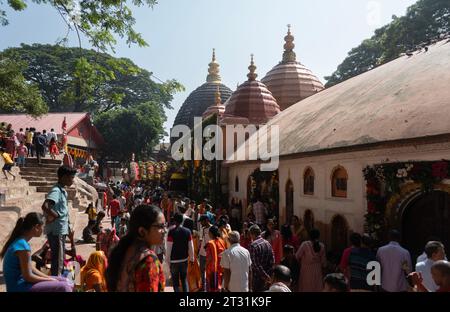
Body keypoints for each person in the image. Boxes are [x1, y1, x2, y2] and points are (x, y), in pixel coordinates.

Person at [0, 212, 73, 292]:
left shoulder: (21, 242)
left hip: (23, 283)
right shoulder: (22, 246)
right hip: (19, 287)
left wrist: (49, 278)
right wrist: (49, 281)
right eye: (42, 226)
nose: (43, 229)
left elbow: (31, 268)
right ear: (36, 227)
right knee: (63, 287)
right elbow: (28, 277)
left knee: (65, 280)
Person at [106, 205, 166, 292]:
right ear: (142, 231)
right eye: (160, 226)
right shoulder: (148, 260)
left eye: (164, 226)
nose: (165, 230)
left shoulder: (124, 251)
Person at [42, 165, 77, 276]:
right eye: (71, 177)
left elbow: (64, 211)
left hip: (61, 230)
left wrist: (68, 226)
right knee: (58, 261)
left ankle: (59, 282)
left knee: (60, 260)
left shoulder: (63, 191)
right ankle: (57, 283)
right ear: (63, 177)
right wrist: (55, 216)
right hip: (56, 231)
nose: (72, 180)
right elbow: (46, 206)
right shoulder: (56, 190)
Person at [166, 213, 195, 292]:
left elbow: (169, 248)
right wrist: (192, 259)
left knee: (175, 283)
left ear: (174, 221)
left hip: (174, 261)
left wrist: (167, 261)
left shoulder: (171, 232)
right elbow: (191, 246)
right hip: (184, 260)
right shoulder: (188, 231)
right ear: (182, 220)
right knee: (184, 280)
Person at [248, 224, 275, 292]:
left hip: (257, 279)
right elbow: (272, 260)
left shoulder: (253, 245)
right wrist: (268, 275)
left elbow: (255, 265)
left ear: (252, 234)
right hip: (267, 277)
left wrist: (265, 276)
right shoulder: (267, 243)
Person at [205, 225, 226, 292]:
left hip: (212, 270)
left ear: (211, 233)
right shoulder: (221, 241)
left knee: (212, 288)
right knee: (218, 286)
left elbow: (209, 258)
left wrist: (206, 265)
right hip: (221, 268)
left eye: (209, 232)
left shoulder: (210, 243)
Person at [198, 214, 212, 290]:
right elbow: (200, 240)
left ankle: (209, 287)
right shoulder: (202, 229)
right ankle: (203, 287)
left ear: (206, 220)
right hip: (202, 253)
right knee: (202, 271)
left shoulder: (212, 228)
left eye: (202, 221)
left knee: (209, 271)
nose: (201, 223)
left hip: (210, 254)